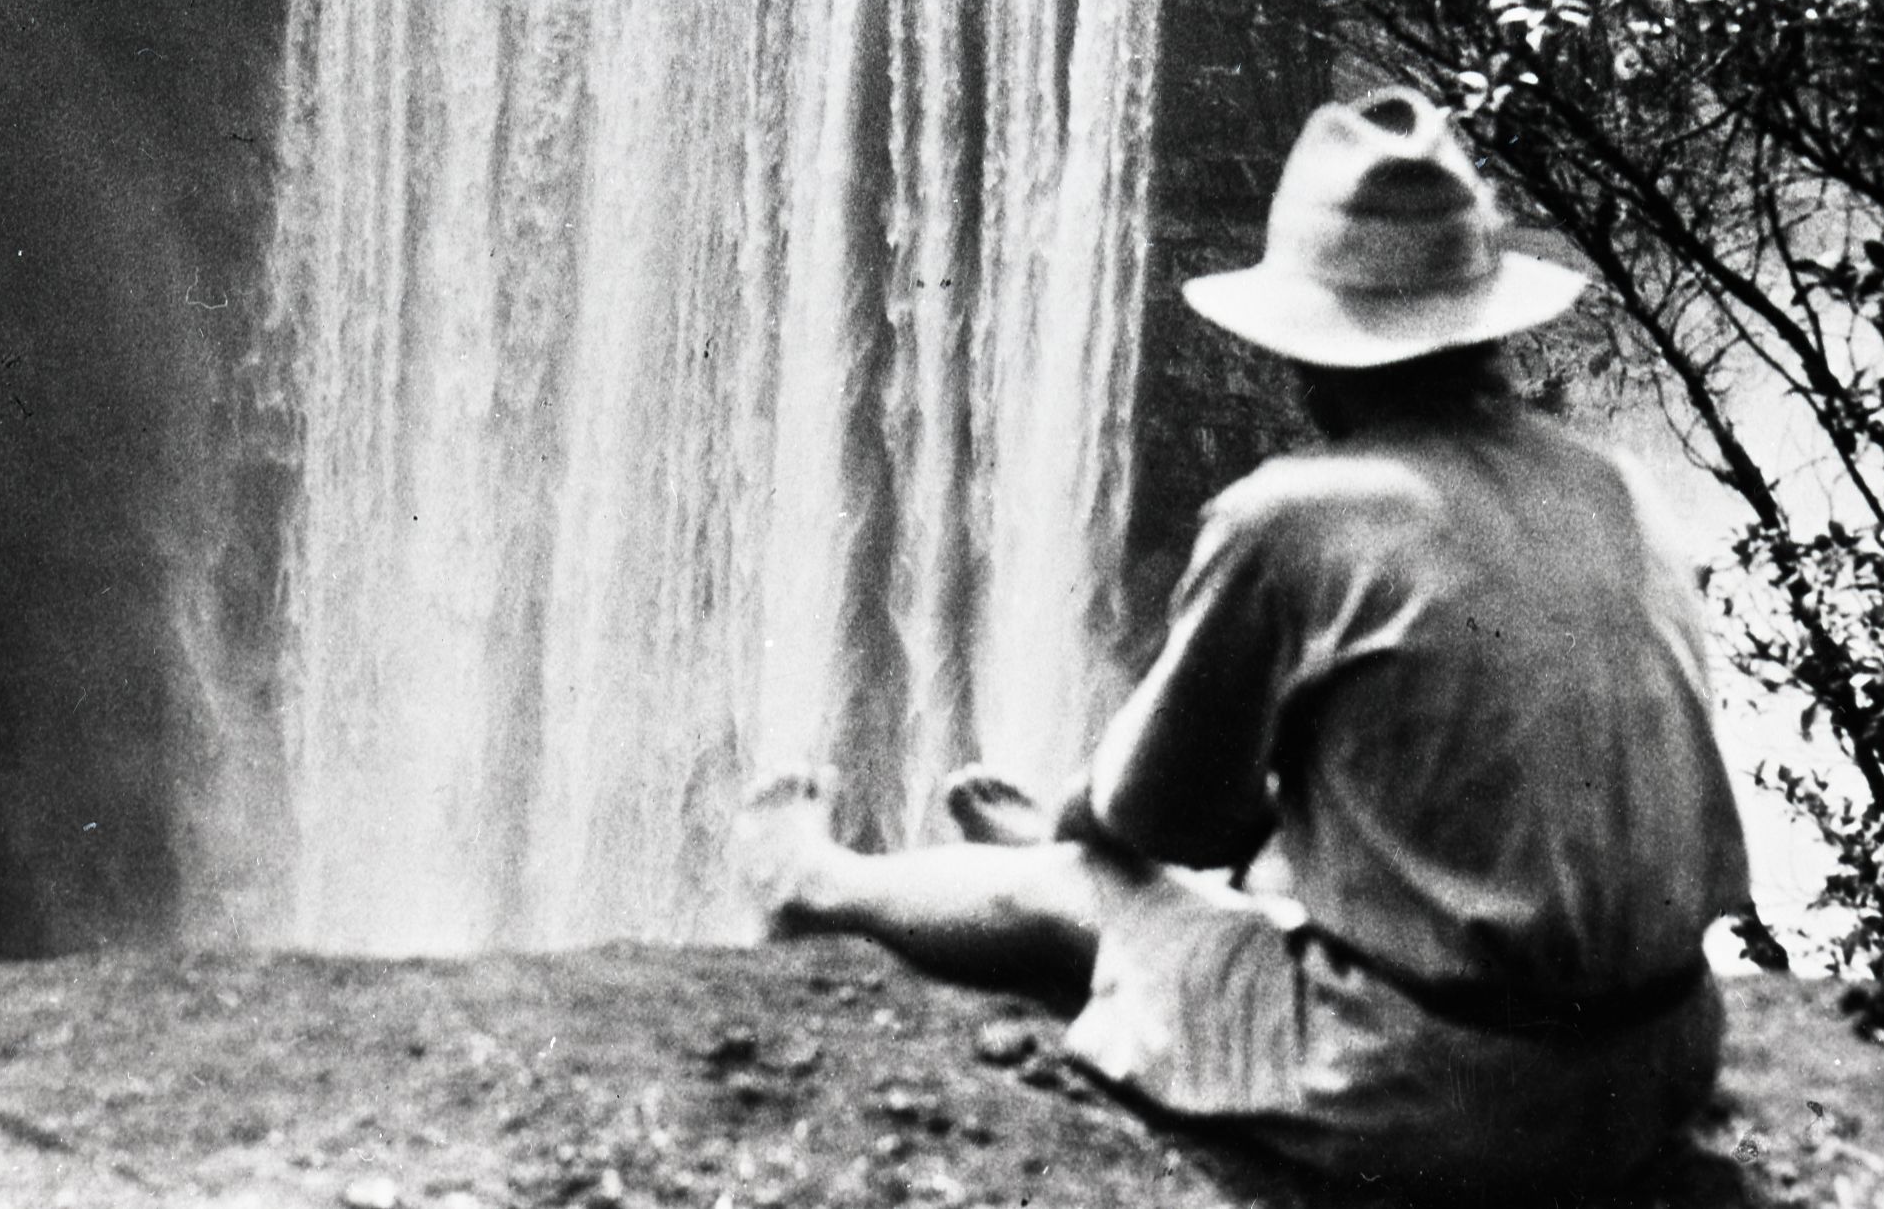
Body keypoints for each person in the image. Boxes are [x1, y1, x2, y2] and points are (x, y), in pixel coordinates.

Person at [737, 87, 1752, 1195]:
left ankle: (814, 880)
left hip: (1442, 1093)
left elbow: (1171, 814)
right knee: (1272, 875)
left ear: (1310, 344)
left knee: (1085, 887)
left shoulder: (1297, 513)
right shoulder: (1621, 485)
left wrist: (1085, 828)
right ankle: (1032, 852)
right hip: (1661, 1061)